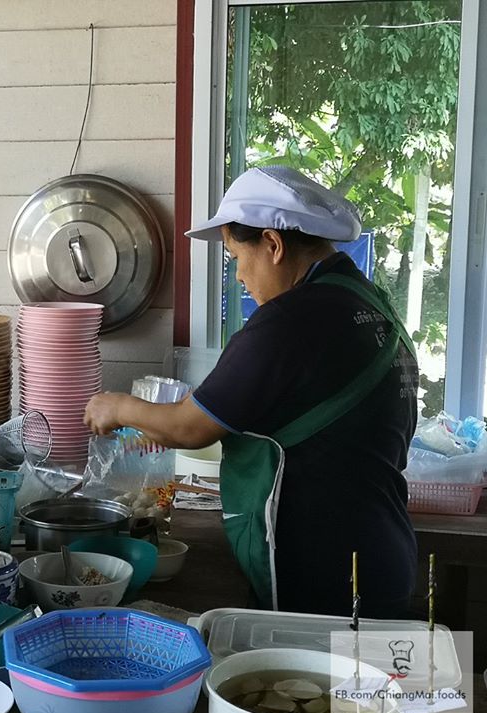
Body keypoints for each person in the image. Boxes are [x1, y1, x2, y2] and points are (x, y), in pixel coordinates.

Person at [83, 166, 419, 619]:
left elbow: (188, 426)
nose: (238, 275)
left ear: (273, 245)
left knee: (308, 690)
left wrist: (117, 405)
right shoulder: (367, 303)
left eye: (236, 256)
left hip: (324, 570)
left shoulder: (291, 322)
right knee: (370, 688)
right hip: (381, 551)